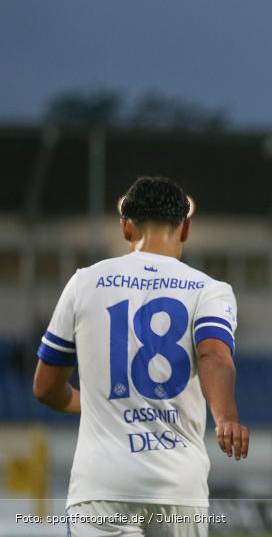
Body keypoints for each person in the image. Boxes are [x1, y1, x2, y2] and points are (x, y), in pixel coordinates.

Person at [33, 176, 249, 537]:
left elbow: (44, 388)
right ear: (185, 228)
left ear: (125, 226)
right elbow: (214, 355)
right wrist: (226, 417)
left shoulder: (84, 282)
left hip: (102, 483)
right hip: (178, 486)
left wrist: (92, 403)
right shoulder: (211, 290)